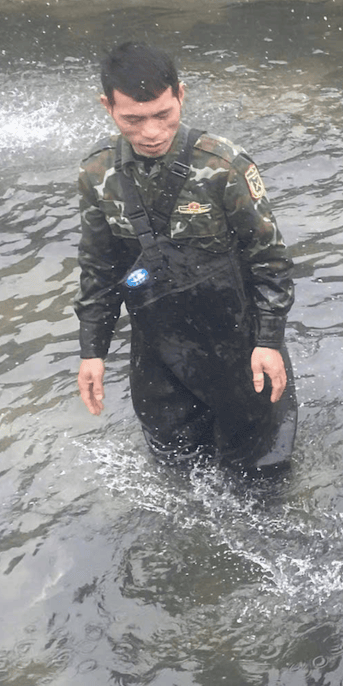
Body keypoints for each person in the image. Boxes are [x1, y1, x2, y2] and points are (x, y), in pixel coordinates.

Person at [74, 41, 297, 474]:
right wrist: (92, 350)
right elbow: (100, 268)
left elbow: (269, 261)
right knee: (175, 473)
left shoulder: (223, 166)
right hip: (157, 349)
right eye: (132, 120)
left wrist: (268, 342)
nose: (151, 132)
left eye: (163, 114)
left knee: (263, 472)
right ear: (108, 107)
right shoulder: (97, 174)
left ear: (180, 94)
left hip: (239, 343)